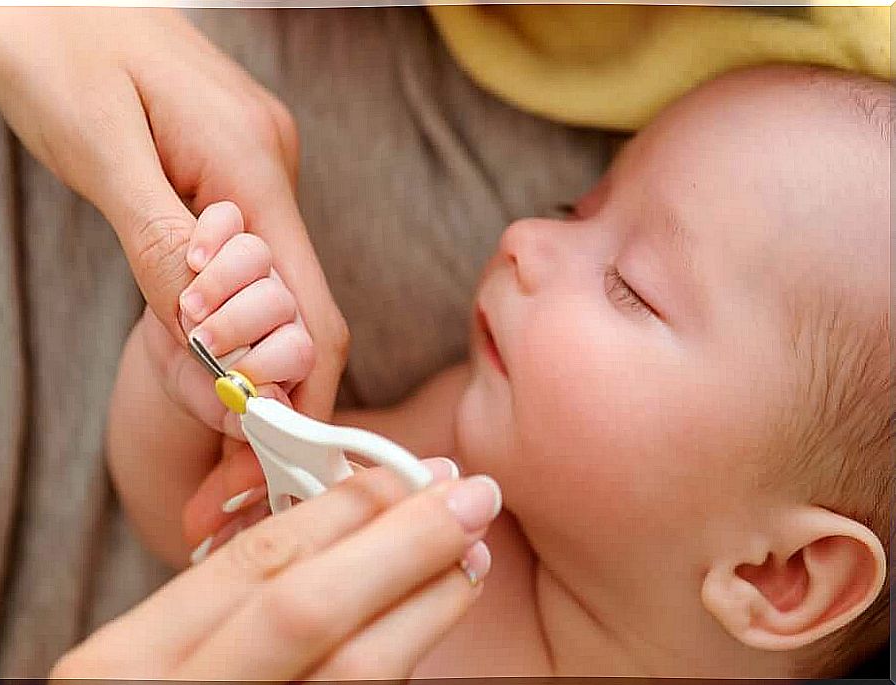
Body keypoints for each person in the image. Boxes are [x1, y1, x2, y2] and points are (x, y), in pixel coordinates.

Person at [99, 64, 891, 679]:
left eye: (631, 288)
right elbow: (192, 524)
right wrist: (189, 374)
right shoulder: (444, 472)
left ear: (779, 573)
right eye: (574, 208)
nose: (523, 236)